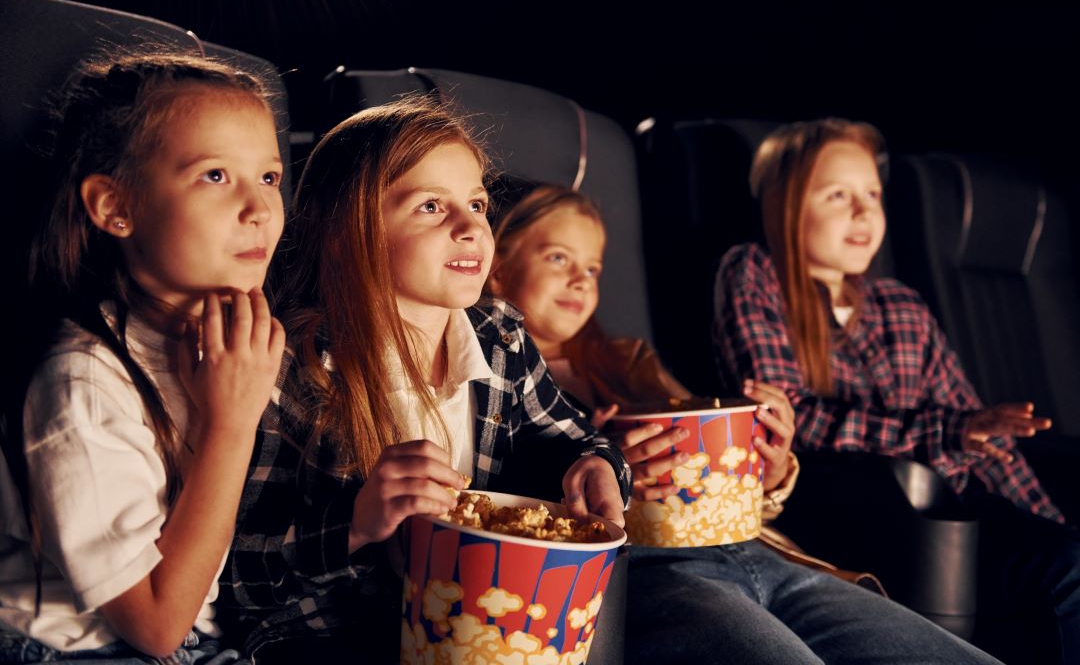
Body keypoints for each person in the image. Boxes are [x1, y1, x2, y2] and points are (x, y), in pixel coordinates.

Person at [488, 183, 1003, 664]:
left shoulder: (629, 361)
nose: (581, 279)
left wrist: (769, 465)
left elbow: (715, 457)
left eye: (594, 268)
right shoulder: (495, 371)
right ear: (498, 269)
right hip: (652, 569)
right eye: (559, 258)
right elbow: (496, 509)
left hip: (760, 552)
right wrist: (603, 462)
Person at [216, 96, 630, 663]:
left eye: (477, 204)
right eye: (431, 206)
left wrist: (600, 465)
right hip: (328, 638)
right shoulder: (291, 366)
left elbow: (578, 438)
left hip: (481, 629)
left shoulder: (500, 335)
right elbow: (234, 582)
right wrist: (355, 525)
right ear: (346, 231)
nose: (470, 228)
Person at [714, 117, 1080, 663]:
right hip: (871, 524)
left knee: (1068, 553)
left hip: (958, 515)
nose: (864, 212)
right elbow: (793, 419)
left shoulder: (902, 306)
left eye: (872, 195)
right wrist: (949, 432)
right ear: (785, 204)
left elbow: (979, 437)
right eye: (839, 195)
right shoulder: (753, 274)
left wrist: (1049, 519)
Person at [0, 51, 286, 663]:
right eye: (215, 175)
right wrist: (230, 426)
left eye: (268, 177)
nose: (259, 208)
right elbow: (156, 626)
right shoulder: (81, 383)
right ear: (115, 207)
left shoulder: (232, 346)